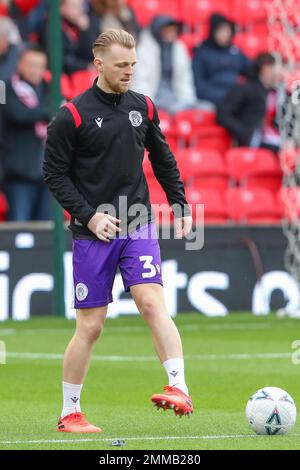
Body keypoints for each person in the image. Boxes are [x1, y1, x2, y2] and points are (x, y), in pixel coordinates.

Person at [43, 28, 193, 433]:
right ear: (99, 64)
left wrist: (179, 204)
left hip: (137, 222)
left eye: (132, 65)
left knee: (150, 301)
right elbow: (53, 174)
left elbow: (163, 159)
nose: (129, 71)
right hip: (93, 233)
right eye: (121, 65)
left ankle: (179, 387)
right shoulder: (71, 115)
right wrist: (90, 216)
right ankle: (69, 412)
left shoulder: (143, 107)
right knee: (90, 326)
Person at [2, 45, 51, 221]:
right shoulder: (4, 88)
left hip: (47, 175)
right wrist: (48, 111)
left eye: (40, 66)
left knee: (46, 232)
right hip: (18, 173)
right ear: (19, 65)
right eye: (31, 64)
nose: (36, 70)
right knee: (19, 229)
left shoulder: (49, 89)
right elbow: (16, 114)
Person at [216, 52, 281, 150]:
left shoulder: (275, 93)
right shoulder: (245, 89)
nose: (281, 73)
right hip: (254, 143)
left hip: (274, 139)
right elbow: (222, 114)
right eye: (277, 68)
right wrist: (244, 132)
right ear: (265, 68)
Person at [132, 15, 196, 114]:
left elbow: (185, 78)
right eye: (168, 30)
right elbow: (140, 81)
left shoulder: (179, 48)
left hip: (175, 95)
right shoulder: (144, 50)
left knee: (206, 109)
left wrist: (187, 99)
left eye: (174, 30)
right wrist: (146, 104)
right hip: (153, 97)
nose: (172, 33)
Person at [192, 13, 250, 106]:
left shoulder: (235, 52)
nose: (224, 34)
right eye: (220, 31)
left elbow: (252, 70)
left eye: (227, 31)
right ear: (213, 32)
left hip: (236, 97)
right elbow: (199, 86)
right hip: (213, 100)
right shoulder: (202, 53)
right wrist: (226, 97)